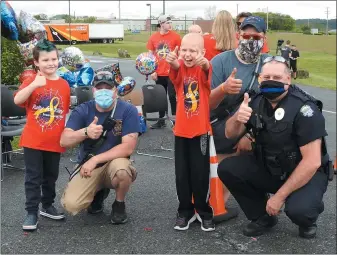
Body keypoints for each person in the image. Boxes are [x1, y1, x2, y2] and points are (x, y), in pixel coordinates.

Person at [218, 56, 330, 239]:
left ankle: (308, 217)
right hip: (271, 165)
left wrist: (279, 197)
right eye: (267, 76)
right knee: (228, 168)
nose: (271, 81)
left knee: (300, 210)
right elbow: (230, 134)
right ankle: (262, 217)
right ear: (260, 78)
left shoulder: (305, 109)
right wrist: (238, 118)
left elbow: (312, 162)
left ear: (288, 79)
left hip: (304, 173)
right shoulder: (254, 100)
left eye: (277, 78)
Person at [60, 71, 140, 224]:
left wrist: (96, 159)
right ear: (93, 90)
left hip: (114, 163)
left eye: (108, 88)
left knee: (123, 172)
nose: (104, 91)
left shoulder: (128, 110)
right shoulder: (83, 110)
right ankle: (98, 193)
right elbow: (64, 140)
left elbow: (128, 147)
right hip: (88, 164)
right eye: (99, 87)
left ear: (115, 90)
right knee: (72, 205)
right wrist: (85, 132)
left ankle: (119, 204)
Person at [13, 39, 70, 231]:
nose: (51, 63)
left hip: (54, 141)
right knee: (33, 177)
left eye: (53, 59)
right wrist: (33, 86)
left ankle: (47, 205)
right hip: (33, 141)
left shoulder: (64, 85)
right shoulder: (31, 81)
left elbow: (64, 111)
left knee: (51, 176)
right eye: (45, 60)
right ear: (36, 62)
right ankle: (31, 211)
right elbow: (17, 100)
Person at [166, 33, 215, 232]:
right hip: (181, 132)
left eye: (193, 51)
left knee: (201, 174)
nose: (188, 54)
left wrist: (203, 64)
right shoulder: (179, 69)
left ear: (202, 52)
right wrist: (174, 62)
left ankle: (204, 211)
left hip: (200, 132)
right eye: (184, 50)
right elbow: (176, 72)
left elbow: (206, 72)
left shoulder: (204, 69)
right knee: (182, 175)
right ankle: (184, 211)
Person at [146, 14, 182, 129]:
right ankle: (161, 121)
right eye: (168, 22)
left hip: (172, 72)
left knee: (172, 96)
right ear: (161, 24)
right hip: (159, 72)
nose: (170, 24)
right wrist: (152, 71)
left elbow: (181, 54)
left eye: (170, 22)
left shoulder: (176, 37)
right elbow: (150, 56)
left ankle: (176, 121)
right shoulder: (153, 37)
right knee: (160, 97)